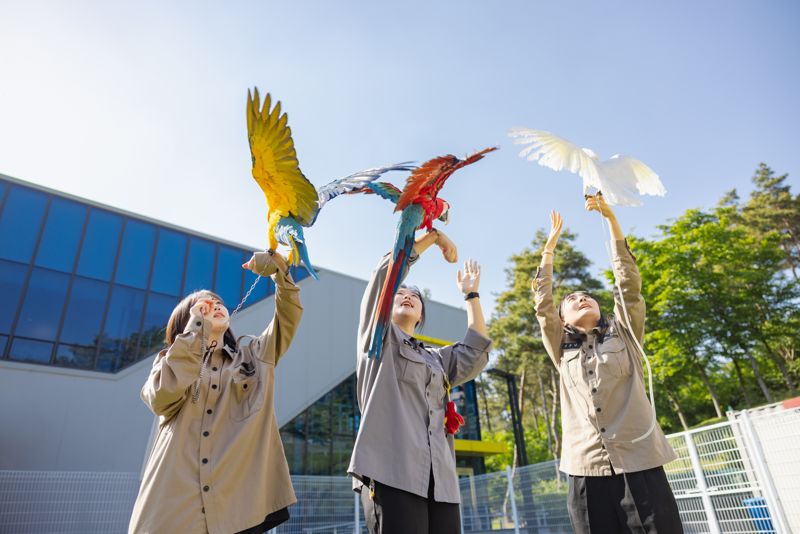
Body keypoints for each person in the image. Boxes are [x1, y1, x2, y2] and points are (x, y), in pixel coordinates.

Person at [532, 193, 682, 533]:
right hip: (586, 471)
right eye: (571, 300)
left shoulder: (624, 333)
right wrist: (549, 250)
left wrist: (611, 219)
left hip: (640, 463)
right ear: (563, 318)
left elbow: (628, 285)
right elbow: (542, 305)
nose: (581, 298)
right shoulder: (559, 347)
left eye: (586, 296)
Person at [129, 250, 302, 534]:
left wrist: (279, 274)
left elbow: (288, 317)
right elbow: (160, 398)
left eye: (218, 303)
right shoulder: (169, 361)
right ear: (187, 319)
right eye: (203, 307)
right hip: (171, 513)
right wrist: (197, 330)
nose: (215, 306)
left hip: (239, 512)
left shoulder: (253, 357)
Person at [348, 229, 492, 534]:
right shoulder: (378, 341)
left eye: (414, 296)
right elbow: (384, 276)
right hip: (391, 472)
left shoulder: (436, 359)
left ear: (421, 314)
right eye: (400, 294)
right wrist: (433, 238)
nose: (407, 296)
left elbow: (477, 348)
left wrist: (471, 295)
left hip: (440, 482)